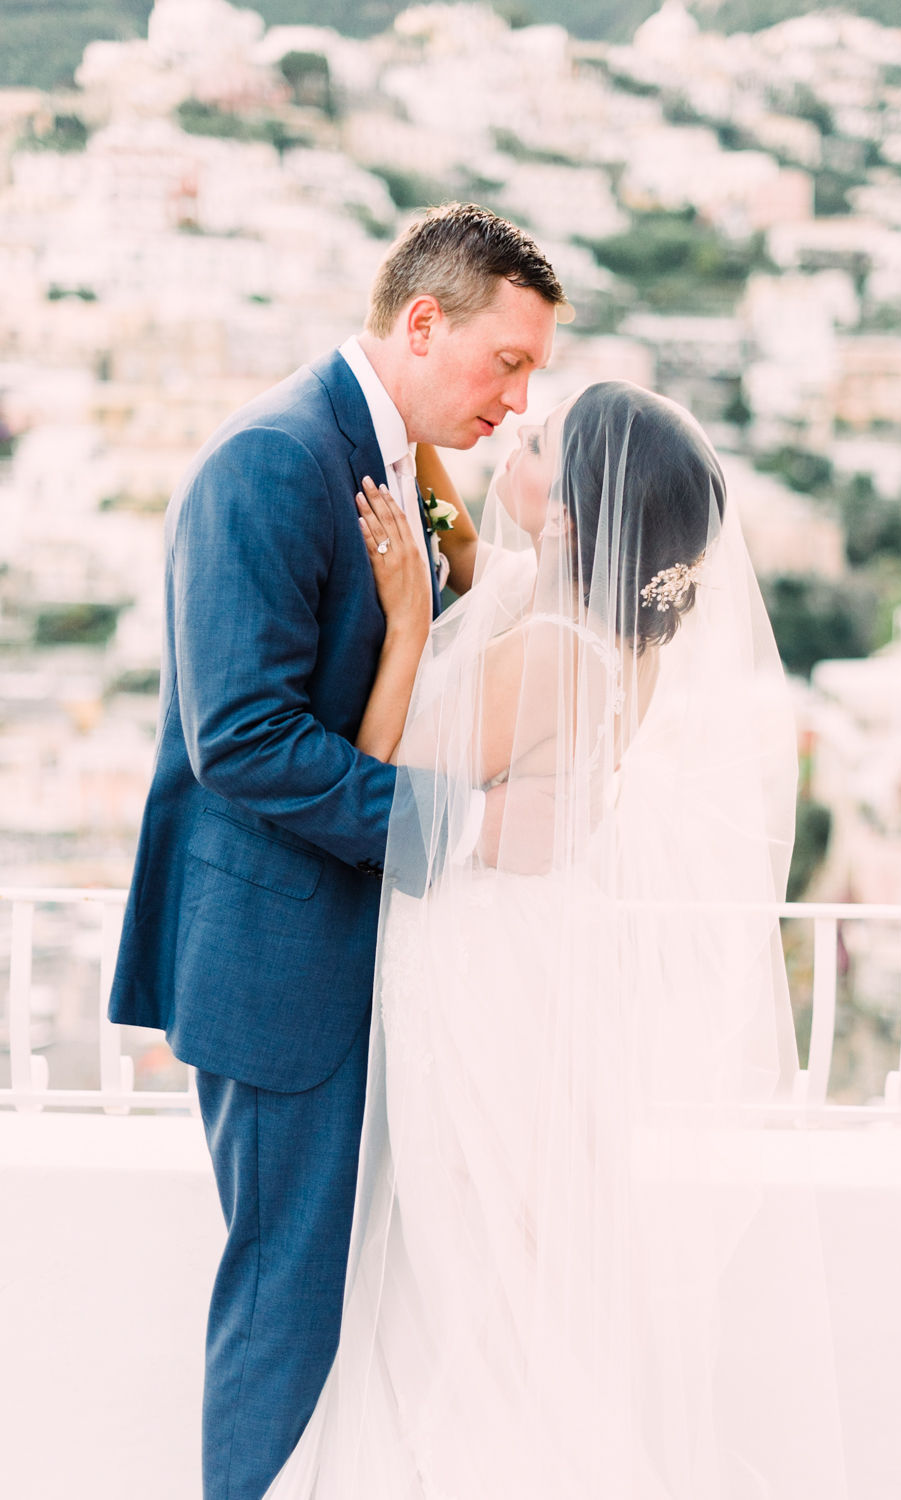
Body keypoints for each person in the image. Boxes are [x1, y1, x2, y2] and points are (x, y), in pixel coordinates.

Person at [263, 382, 848, 1500]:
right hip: (534, 962)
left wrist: (401, 624)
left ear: (573, 517)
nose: (510, 444)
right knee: (515, 1276)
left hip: (480, 978)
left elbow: (381, 779)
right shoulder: (609, 637)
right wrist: (420, 460)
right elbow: (490, 571)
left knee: (472, 1277)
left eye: (531, 444)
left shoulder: (548, 654)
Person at [107, 202, 570, 1500]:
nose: (518, 398)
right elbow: (241, 738)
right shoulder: (269, 459)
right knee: (289, 1299)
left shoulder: (392, 463)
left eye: (532, 372)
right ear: (422, 324)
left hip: (367, 957)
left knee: (357, 1300)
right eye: (508, 362)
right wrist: (468, 826)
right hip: (279, 963)